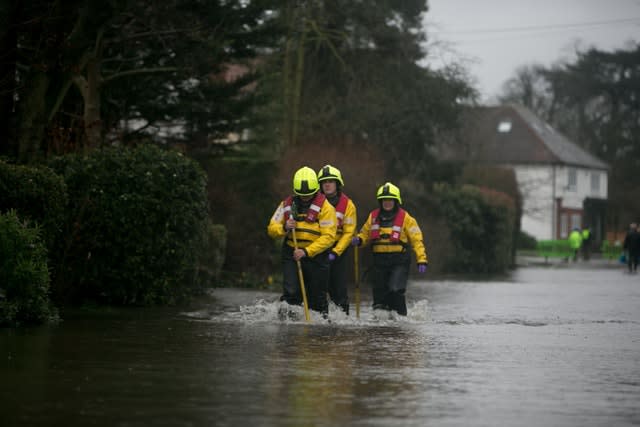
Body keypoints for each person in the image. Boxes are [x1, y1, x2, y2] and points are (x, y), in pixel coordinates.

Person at [267, 166, 337, 316]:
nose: (305, 198)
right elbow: (272, 228)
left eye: (309, 195)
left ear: (315, 191)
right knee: (291, 292)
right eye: (301, 195)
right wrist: (284, 227)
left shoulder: (326, 208)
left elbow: (329, 237)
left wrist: (306, 251)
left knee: (317, 300)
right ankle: (287, 325)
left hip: (317, 256)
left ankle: (319, 330)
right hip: (292, 253)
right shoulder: (286, 205)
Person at [351, 182, 428, 316]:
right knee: (379, 298)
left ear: (396, 201)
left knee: (395, 289)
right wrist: (359, 240)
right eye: (384, 200)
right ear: (380, 201)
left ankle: (401, 319)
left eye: (390, 200)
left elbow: (417, 240)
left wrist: (421, 259)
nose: (387, 203)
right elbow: (364, 234)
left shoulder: (407, 219)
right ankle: (382, 328)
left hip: (399, 261)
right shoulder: (373, 217)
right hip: (379, 261)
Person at [317, 164, 357, 314]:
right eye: (324, 181)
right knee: (318, 287)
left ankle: (342, 319)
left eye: (331, 181)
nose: (327, 184)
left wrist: (336, 252)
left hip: (338, 250)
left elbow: (348, 232)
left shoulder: (348, 205)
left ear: (337, 184)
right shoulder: (314, 202)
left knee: (338, 288)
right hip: (318, 249)